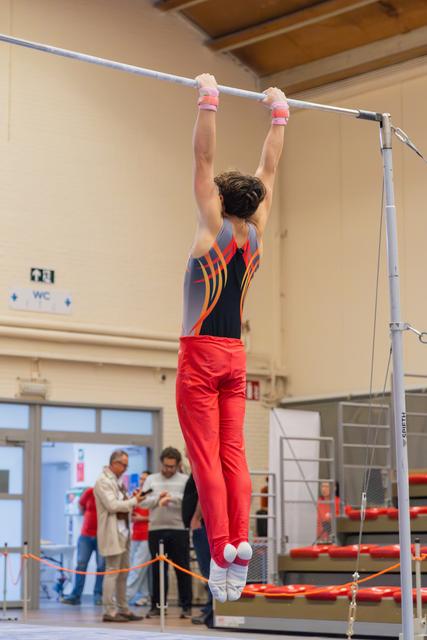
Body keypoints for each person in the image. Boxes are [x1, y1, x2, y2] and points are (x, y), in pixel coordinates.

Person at [176, 73, 288, 602]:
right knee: (233, 455)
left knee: (205, 459)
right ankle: (237, 546)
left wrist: (209, 97)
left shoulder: (210, 228)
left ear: (220, 200)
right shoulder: (256, 232)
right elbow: (270, 167)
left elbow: (203, 159)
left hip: (200, 357)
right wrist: (279, 112)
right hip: (236, 359)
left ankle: (222, 547)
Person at [94, 449, 145, 623]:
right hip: (111, 531)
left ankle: (123, 608)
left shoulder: (117, 481)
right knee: (112, 571)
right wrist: (133, 501)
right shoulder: (102, 481)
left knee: (123, 572)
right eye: (122, 464)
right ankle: (109, 611)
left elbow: (122, 502)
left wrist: (132, 498)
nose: (124, 468)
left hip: (124, 531)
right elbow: (113, 505)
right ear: (113, 463)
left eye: (126, 465)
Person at [142, 447, 192, 619]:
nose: (168, 470)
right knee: (157, 570)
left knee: (182, 569)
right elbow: (142, 502)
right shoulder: (151, 479)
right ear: (161, 463)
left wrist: (171, 498)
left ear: (178, 465)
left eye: (172, 466)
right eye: (165, 466)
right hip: (156, 530)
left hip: (178, 530)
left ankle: (186, 607)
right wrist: (158, 499)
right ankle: (157, 606)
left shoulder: (185, 480)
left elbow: (188, 502)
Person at [61, 487, 105, 605]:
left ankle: (98, 595)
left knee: (101, 567)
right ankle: (76, 595)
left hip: (102, 536)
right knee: (81, 565)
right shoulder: (90, 492)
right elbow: (81, 506)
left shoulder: (110, 494)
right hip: (86, 535)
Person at [182, 472, 213, 628]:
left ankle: (211, 609)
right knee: (207, 571)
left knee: (208, 571)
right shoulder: (198, 467)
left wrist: (196, 517)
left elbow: (205, 491)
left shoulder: (203, 466)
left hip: (204, 526)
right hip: (204, 525)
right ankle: (210, 608)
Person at [126, 470, 151, 606]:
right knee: (140, 568)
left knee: (137, 568)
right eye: (141, 479)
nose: (142, 481)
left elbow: (157, 516)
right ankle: (145, 596)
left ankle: (126, 596)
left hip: (147, 535)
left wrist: (142, 518)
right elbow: (129, 512)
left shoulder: (153, 495)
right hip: (135, 535)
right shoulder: (135, 494)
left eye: (145, 479)